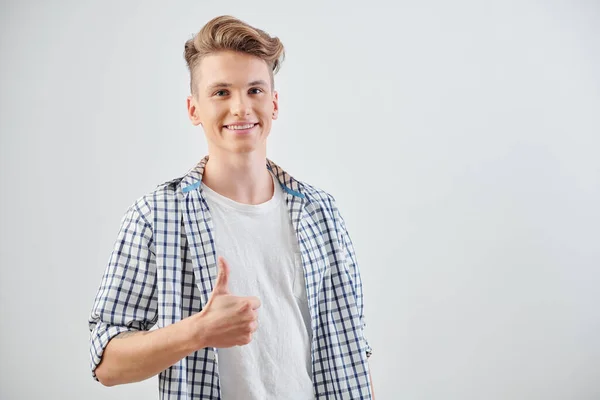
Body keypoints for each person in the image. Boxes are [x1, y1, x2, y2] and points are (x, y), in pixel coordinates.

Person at [88, 15, 374, 400]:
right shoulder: (156, 216)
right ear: (194, 110)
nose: (241, 107)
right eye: (221, 92)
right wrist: (198, 332)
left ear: (273, 103)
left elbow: (353, 350)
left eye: (254, 90)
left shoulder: (320, 212)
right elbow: (106, 364)